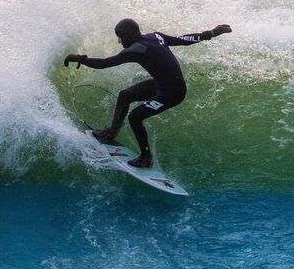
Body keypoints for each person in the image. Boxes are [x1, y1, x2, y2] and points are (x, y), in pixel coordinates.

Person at [64, 18, 232, 167]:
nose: (119, 41)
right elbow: (183, 39)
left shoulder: (135, 50)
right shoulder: (155, 36)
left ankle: (146, 158)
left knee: (135, 117)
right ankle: (112, 132)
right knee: (125, 95)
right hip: (163, 84)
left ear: (127, 37)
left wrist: (80, 59)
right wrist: (211, 33)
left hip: (173, 92)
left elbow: (104, 64)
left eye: (120, 37)